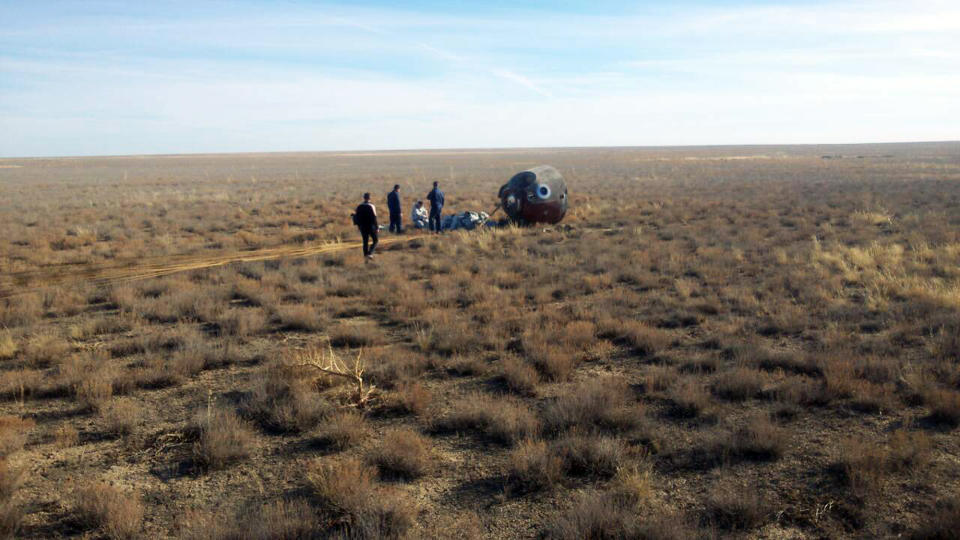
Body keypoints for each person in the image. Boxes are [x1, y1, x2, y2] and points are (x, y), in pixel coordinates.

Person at [354, 192, 378, 259]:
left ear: (364, 198)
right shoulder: (371, 206)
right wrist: (377, 227)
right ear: (370, 198)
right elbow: (374, 218)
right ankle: (370, 253)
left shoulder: (359, 206)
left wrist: (359, 226)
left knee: (365, 242)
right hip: (371, 226)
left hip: (362, 227)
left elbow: (356, 217)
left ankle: (365, 257)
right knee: (375, 240)